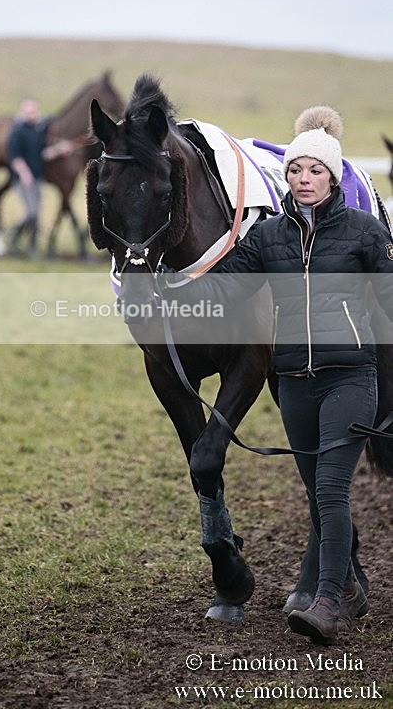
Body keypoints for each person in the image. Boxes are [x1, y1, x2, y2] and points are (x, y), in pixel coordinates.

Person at [164, 106, 393, 644]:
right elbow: (226, 288)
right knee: (315, 489)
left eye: (315, 171)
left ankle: (328, 604)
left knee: (332, 491)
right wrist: (167, 284)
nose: (303, 180)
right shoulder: (267, 238)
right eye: (295, 171)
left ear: (333, 177)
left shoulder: (363, 231)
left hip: (349, 377)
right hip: (295, 384)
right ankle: (352, 586)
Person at [7, 98, 78, 258]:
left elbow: (43, 154)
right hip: (22, 179)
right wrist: (25, 174)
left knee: (36, 214)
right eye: (27, 112)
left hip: (37, 178)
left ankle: (28, 245)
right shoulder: (17, 131)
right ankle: (16, 236)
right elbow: (15, 156)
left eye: (33, 111)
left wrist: (60, 149)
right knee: (31, 213)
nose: (30, 115)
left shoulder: (39, 129)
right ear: (22, 112)